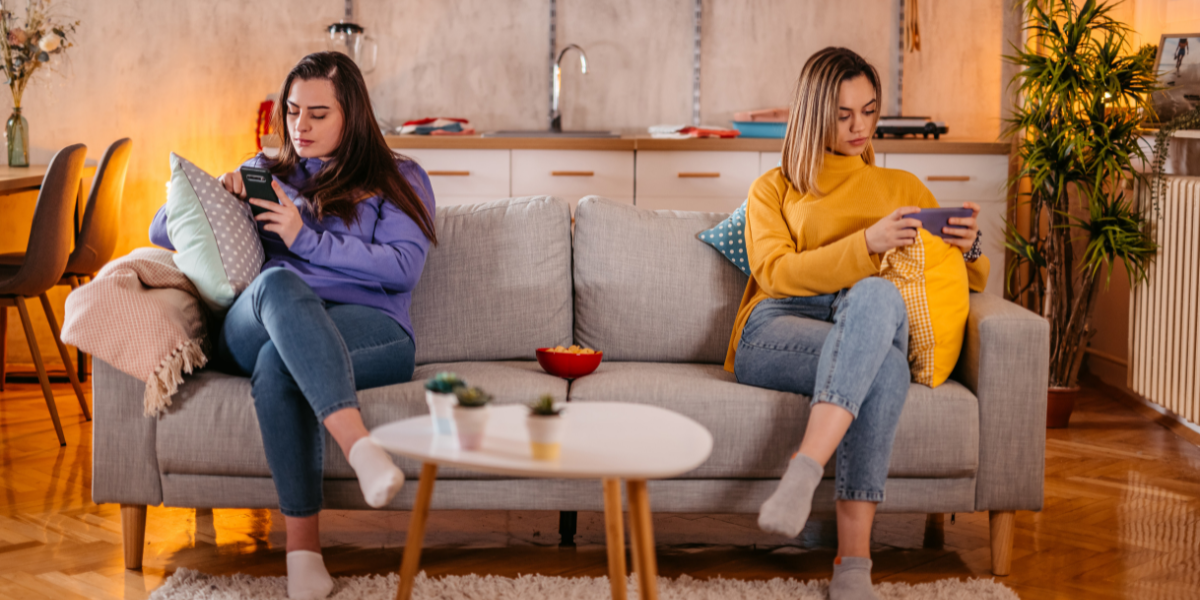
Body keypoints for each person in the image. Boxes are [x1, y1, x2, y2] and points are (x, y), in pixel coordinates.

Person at [149, 51, 437, 600]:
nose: (300, 127)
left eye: (318, 114)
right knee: (281, 286)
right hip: (259, 319)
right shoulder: (268, 172)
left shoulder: (398, 177)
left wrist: (306, 238)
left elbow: (404, 267)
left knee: (280, 365)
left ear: (352, 115)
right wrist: (223, 188)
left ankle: (304, 560)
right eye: (292, 111)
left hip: (370, 327)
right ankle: (360, 449)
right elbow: (166, 227)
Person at [727, 47, 988, 600]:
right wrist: (866, 242)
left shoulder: (905, 188)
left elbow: (948, 274)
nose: (859, 127)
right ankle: (853, 565)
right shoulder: (774, 188)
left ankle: (805, 472)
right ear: (814, 113)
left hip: (866, 317)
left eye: (869, 111)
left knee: (875, 296)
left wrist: (970, 249)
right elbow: (775, 274)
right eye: (843, 114)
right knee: (886, 369)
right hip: (779, 326)